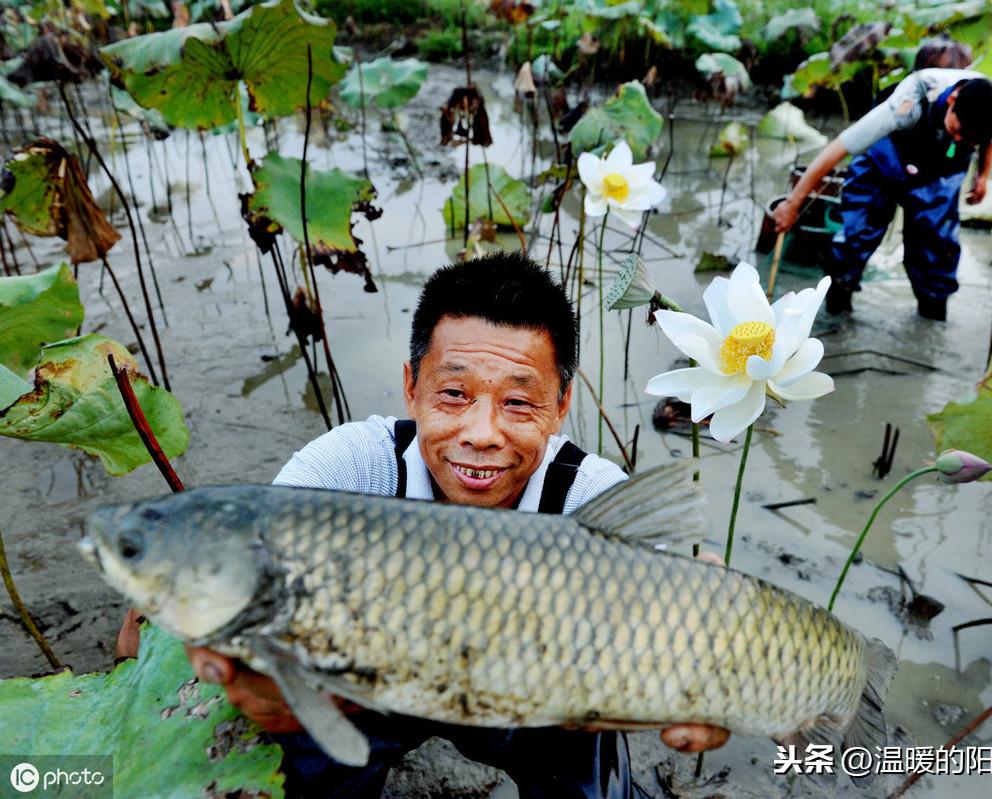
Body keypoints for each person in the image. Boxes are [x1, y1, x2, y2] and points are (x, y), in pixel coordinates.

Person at [118, 251, 728, 798]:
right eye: (454, 394)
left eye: (518, 401)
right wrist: (187, 645)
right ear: (411, 387)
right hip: (366, 686)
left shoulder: (591, 497)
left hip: (532, 694)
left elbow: (667, 638)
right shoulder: (347, 468)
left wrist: (717, 645)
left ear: (561, 406)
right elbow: (168, 627)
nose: (482, 434)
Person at [772, 68, 992, 321]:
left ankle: (930, 322)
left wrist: (983, 176)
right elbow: (839, 147)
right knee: (856, 237)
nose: (961, 137)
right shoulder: (911, 99)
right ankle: (836, 311)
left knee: (937, 251)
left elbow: (991, 140)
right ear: (952, 100)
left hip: (940, 167)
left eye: (970, 139)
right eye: (959, 129)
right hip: (887, 154)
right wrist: (793, 202)